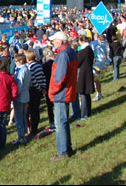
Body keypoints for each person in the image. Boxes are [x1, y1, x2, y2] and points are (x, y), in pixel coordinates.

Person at [48, 31, 78, 161]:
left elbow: (59, 77)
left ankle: (62, 152)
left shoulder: (63, 55)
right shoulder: (70, 52)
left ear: (60, 41)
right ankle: (67, 148)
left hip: (61, 93)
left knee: (60, 123)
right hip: (67, 91)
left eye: (54, 40)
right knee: (63, 122)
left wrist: (52, 91)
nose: (52, 42)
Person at [25, 49, 47, 137]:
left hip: (34, 89)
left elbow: (33, 80)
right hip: (39, 89)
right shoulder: (38, 65)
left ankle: (34, 128)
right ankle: (35, 127)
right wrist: (43, 87)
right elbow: (43, 77)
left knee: (33, 110)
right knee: (36, 109)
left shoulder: (30, 67)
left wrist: (39, 88)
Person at [12, 54, 31, 145]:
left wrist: (14, 95)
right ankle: (23, 133)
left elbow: (19, 86)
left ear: (20, 61)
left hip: (20, 97)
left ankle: (21, 136)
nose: (14, 63)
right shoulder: (27, 69)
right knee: (23, 115)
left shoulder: (21, 71)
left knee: (19, 117)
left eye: (16, 61)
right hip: (26, 95)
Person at [76, 36, 95, 120]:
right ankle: (88, 112)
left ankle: (84, 114)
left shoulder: (83, 51)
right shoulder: (89, 49)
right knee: (86, 94)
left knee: (83, 93)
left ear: (81, 41)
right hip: (88, 72)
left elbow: (78, 62)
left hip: (83, 73)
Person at [91, 34, 110, 101]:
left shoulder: (100, 46)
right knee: (96, 80)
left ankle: (99, 94)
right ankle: (98, 93)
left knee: (95, 79)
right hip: (105, 63)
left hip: (99, 64)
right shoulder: (107, 44)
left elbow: (100, 56)